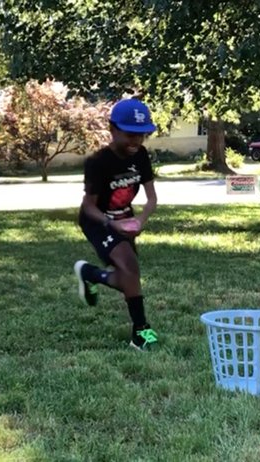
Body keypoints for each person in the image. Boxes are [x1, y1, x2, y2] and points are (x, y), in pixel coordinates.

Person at [73, 98, 158, 351]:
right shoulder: (98, 162)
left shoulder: (141, 156)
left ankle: (90, 274)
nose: (136, 141)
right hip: (98, 221)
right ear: (112, 129)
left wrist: (140, 220)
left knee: (129, 276)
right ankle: (141, 332)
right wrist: (113, 225)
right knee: (130, 267)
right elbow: (89, 206)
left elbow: (152, 198)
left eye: (142, 136)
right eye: (130, 134)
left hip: (126, 218)